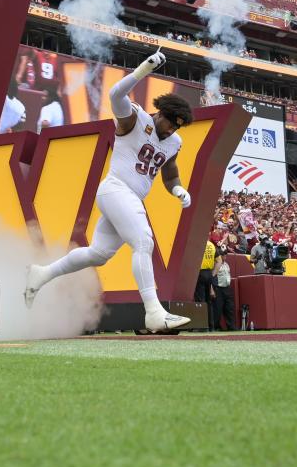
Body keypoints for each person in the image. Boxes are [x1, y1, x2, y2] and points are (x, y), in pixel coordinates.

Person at [25, 50, 194, 331]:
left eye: (177, 128)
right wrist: (143, 69)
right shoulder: (136, 120)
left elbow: (169, 170)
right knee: (143, 241)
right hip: (116, 189)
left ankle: (40, 274)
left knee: (98, 254)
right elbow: (116, 95)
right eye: (169, 123)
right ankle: (153, 312)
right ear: (160, 113)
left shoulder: (173, 141)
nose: (170, 131)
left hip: (128, 197)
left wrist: (177, 189)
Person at [195, 239, 216, 329]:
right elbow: (218, 260)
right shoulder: (211, 245)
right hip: (209, 273)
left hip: (200, 273)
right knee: (209, 301)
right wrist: (213, 274)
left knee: (201, 301)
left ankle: (202, 326)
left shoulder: (198, 244)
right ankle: (211, 326)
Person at [212, 253, 236, 330]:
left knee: (229, 308)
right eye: (223, 254)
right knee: (217, 308)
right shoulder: (215, 264)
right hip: (218, 288)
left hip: (227, 287)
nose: (225, 256)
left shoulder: (226, 264)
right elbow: (213, 276)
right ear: (220, 256)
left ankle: (231, 326)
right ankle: (216, 326)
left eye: (226, 254)